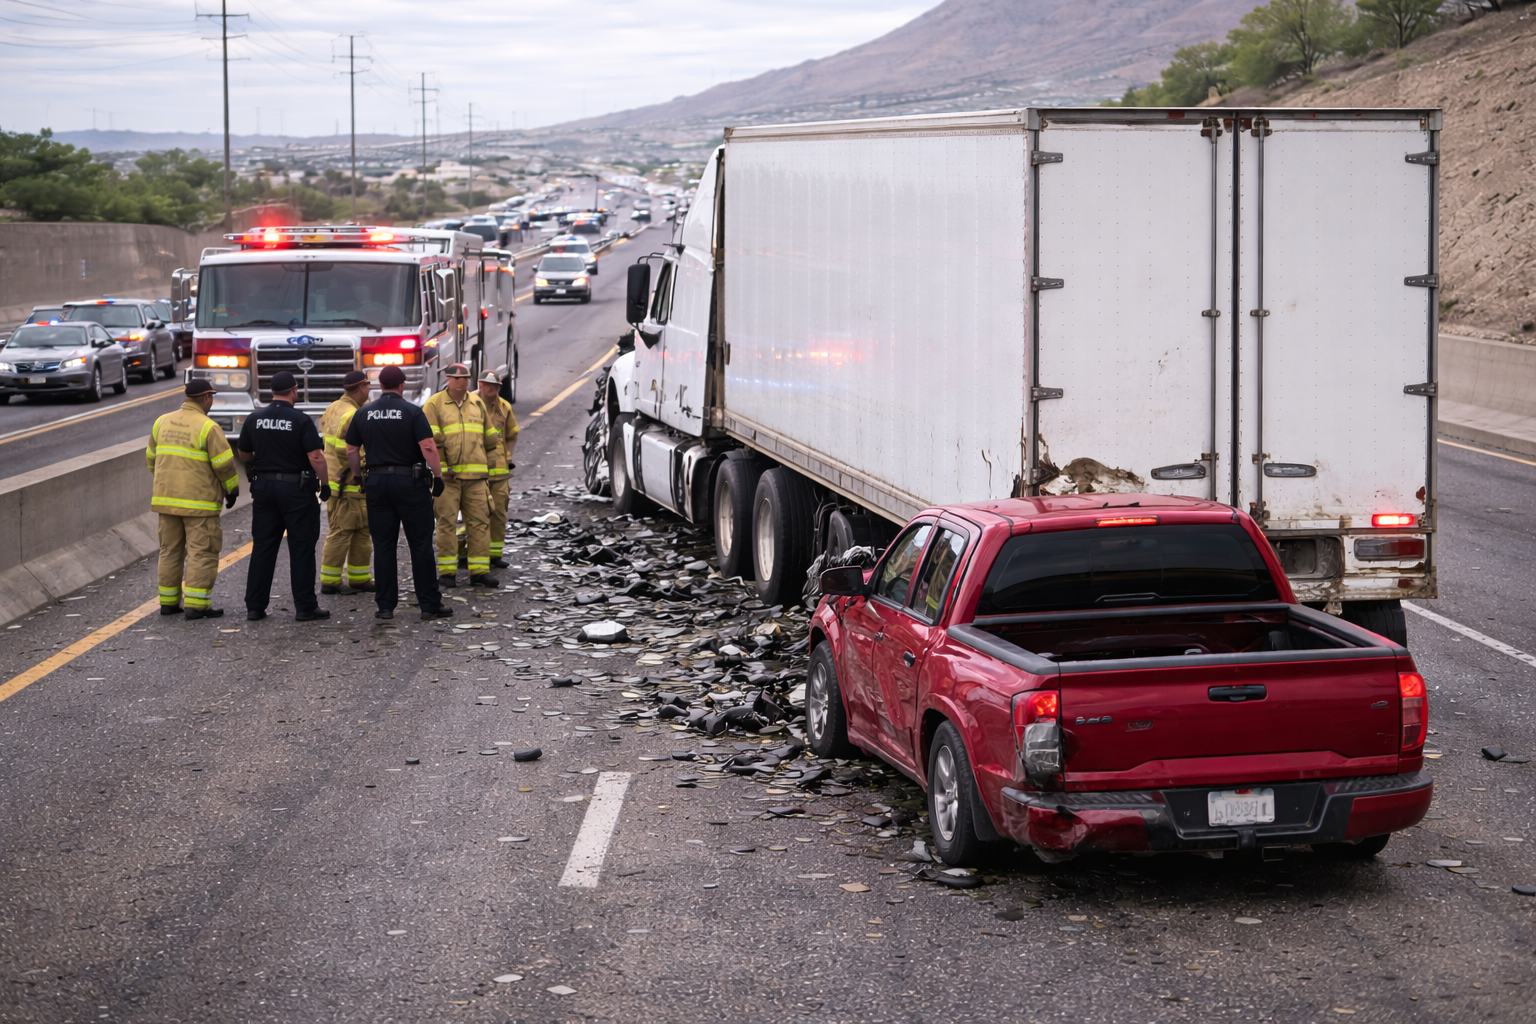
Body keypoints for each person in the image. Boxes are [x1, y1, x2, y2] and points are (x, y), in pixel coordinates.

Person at [344, 364, 454, 621]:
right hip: (410, 484)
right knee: (420, 544)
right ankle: (429, 605)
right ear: (402, 385)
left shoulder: (364, 413)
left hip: (377, 484)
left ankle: (385, 606)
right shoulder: (412, 412)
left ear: (380, 386)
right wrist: (437, 476)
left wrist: (358, 476)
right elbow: (427, 446)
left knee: (383, 545)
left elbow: (351, 449)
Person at [236, 370, 330, 622]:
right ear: (294, 390)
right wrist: (325, 482)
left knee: (264, 547)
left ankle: (255, 607)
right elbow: (316, 456)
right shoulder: (299, 420)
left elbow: (244, 453)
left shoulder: (254, 419)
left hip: (264, 490)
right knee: (301, 547)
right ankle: (305, 606)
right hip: (296, 491)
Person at [146, 378, 239, 620]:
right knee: (202, 551)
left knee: (169, 550)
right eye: (212, 397)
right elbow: (224, 465)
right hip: (199, 505)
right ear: (207, 397)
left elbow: (151, 459)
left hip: (166, 502)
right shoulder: (208, 427)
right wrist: (232, 489)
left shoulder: (161, 422)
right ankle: (197, 605)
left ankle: (168, 603)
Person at [422, 362, 498, 589]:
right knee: (446, 523)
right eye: (458, 378)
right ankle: (447, 573)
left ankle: (479, 571)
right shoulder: (434, 404)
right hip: (447, 478)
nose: (463, 382)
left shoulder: (477, 403)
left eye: (466, 378)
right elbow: (429, 439)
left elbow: (490, 437)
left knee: (479, 523)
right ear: (448, 379)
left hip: (475, 477)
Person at [318, 370, 375, 594]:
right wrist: (366, 461)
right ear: (360, 387)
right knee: (342, 531)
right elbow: (347, 449)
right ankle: (330, 582)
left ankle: (359, 577)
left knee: (362, 529)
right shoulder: (351, 414)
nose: (369, 390)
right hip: (348, 482)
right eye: (368, 386)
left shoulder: (334, 407)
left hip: (342, 481)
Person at [478, 369, 519, 569]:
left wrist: (508, 456)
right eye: (489, 386)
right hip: (475, 471)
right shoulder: (470, 406)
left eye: (496, 387)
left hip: (500, 472)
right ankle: (471, 553)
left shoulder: (504, 407)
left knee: (499, 512)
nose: (492, 390)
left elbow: (512, 434)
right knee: (476, 514)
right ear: (480, 385)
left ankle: (495, 554)